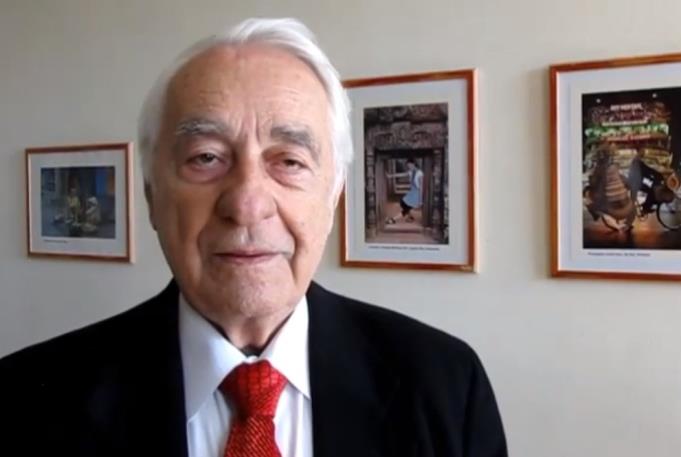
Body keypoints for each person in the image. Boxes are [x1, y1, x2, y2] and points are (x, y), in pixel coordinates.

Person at [0, 18, 507, 457]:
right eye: (205, 158)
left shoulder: (445, 386)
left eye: (289, 161)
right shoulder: (25, 400)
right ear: (152, 194)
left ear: (333, 195)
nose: (246, 202)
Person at [386, 159, 424, 224]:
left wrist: (420, 201)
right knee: (402, 202)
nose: (409, 167)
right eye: (408, 166)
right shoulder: (410, 172)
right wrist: (390, 176)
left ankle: (393, 220)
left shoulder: (420, 173)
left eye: (410, 165)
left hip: (417, 194)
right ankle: (410, 217)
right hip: (412, 192)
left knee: (406, 208)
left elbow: (421, 188)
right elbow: (402, 174)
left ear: (414, 164)